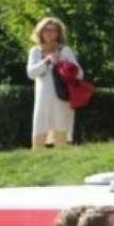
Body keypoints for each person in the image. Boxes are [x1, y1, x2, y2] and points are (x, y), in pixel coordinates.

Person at [26, 17, 78, 150]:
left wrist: (65, 66)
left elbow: (79, 73)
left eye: (53, 30)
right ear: (40, 32)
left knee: (61, 126)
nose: (49, 33)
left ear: (58, 33)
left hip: (61, 96)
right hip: (43, 98)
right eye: (46, 30)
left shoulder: (65, 50)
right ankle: (38, 157)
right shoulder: (36, 51)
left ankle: (61, 156)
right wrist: (47, 61)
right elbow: (31, 73)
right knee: (40, 125)